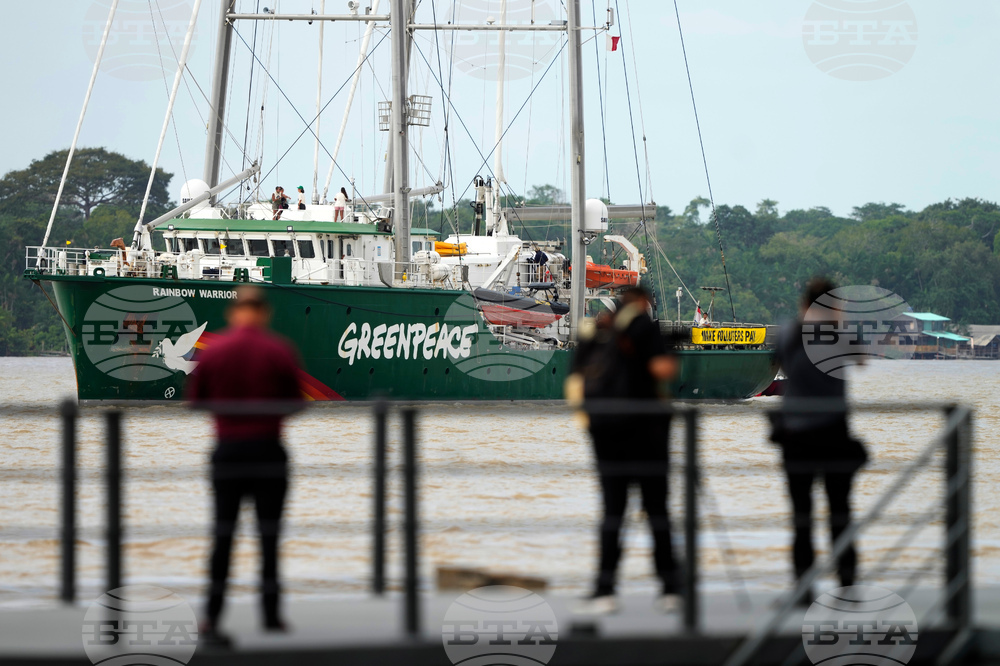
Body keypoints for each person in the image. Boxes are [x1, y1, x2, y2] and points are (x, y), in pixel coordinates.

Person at [186, 286, 303, 642]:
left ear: (233, 313)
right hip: (269, 449)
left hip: (228, 450)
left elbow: (196, 402)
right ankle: (270, 616)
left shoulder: (214, 352)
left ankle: (212, 616)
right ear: (264, 313)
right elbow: (296, 403)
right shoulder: (278, 350)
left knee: (223, 536)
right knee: (269, 537)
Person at [567, 285, 680, 615]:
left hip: (604, 433)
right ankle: (670, 586)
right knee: (656, 508)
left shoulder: (597, 330)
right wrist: (671, 354)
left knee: (612, 511)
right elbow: (662, 370)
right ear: (643, 302)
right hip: (646, 432)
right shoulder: (644, 327)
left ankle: (604, 589)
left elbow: (576, 379)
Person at [771, 277, 867, 601]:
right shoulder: (839, 334)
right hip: (834, 433)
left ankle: (803, 586)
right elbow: (861, 358)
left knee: (802, 514)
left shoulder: (788, 332)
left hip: (795, 435)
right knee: (839, 510)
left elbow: (778, 360)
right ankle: (848, 582)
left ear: (804, 304)